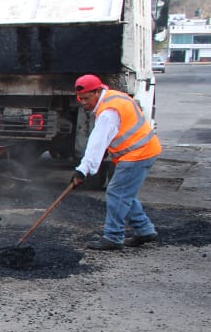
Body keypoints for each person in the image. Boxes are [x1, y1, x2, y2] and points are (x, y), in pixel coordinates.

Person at [69, 74, 161, 250]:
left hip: (137, 153)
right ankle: (144, 230)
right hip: (142, 150)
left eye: (86, 98)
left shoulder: (108, 112)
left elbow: (97, 144)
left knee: (116, 193)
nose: (83, 102)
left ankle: (113, 237)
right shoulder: (113, 97)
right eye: (80, 99)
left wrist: (82, 170)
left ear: (97, 92)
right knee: (125, 193)